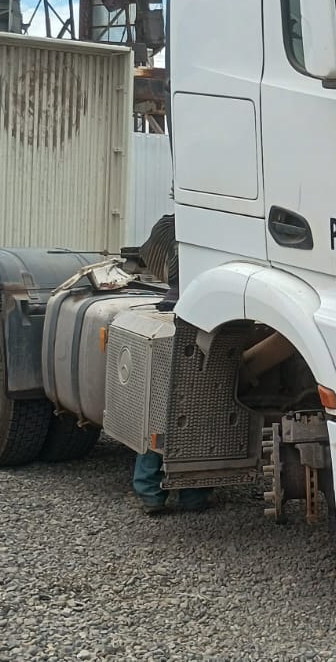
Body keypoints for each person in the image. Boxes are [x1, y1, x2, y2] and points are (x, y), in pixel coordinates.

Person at [130, 213, 212, 514]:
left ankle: (150, 492)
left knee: (160, 410)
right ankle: (194, 495)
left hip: (171, 312)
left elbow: (157, 254)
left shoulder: (175, 227)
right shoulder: (213, 229)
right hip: (206, 317)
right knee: (201, 412)